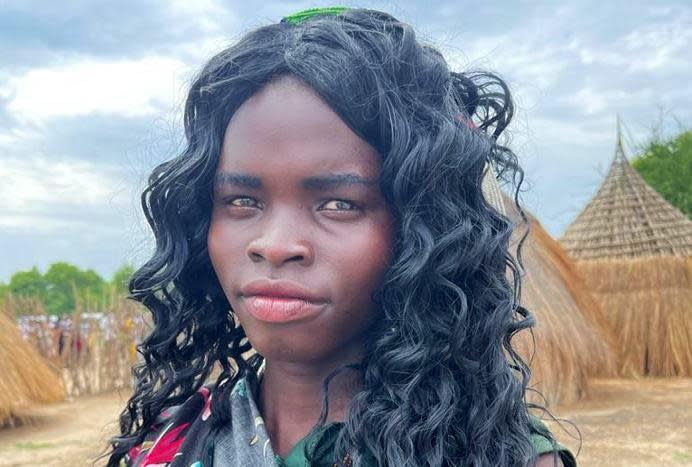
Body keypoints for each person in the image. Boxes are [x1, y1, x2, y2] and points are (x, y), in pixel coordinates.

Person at [106, 7, 577, 467]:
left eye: (339, 205)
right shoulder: (166, 444)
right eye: (241, 201)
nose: (272, 244)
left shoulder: (495, 455)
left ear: (424, 231)